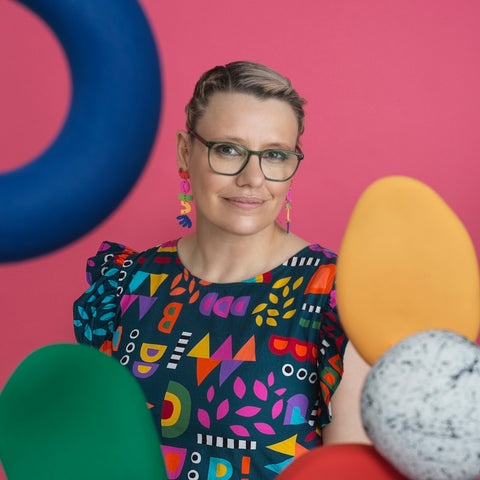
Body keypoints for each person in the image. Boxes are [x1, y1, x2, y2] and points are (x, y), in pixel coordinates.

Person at [74, 60, 369, 479]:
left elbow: (351, 471)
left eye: (275, 155)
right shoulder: (127, 282)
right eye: (228, 149)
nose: (253, 178)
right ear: (185, 152)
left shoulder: (335, 295)